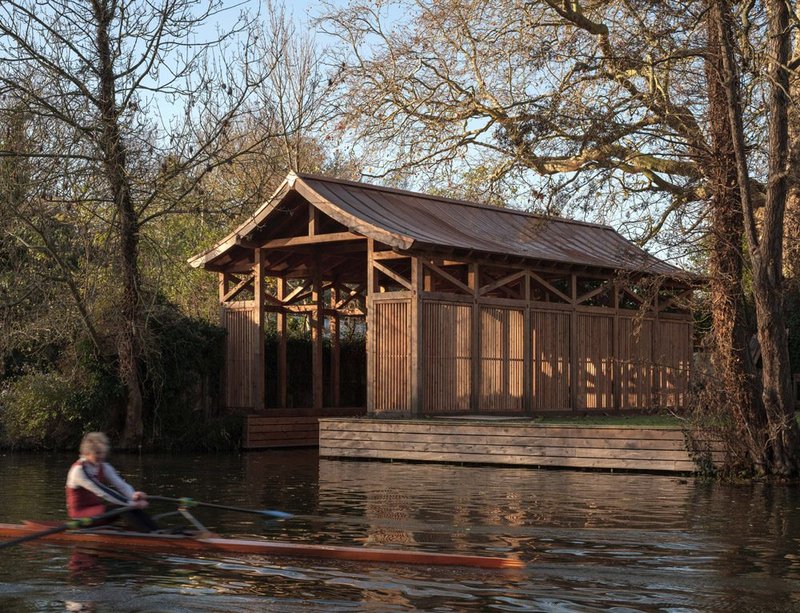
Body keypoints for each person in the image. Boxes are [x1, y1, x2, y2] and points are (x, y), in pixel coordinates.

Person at [66, 432, 158, 532]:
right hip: (81, 517)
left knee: (132, 508)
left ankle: (158, 531)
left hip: (97, 511)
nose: (101, 456)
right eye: (97, 453)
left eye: (102, 452)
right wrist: (130, 503)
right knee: (124, 508)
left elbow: (121, 485)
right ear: (86, 453)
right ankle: (150, 535)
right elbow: (103, 492)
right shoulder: (79, 471)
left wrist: (133, 496)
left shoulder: (104, 466)